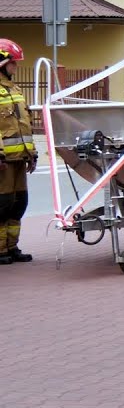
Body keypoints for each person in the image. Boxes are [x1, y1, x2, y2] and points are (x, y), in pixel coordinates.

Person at [0, 39, 37, 266]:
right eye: (14, 62)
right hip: (3, 160)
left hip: (19, 160)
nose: (16, 66)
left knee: (18, 203)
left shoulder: (14, 88)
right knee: (2, 205)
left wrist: (32, 153)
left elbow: (25, 124)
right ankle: (0, 249)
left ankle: (12, 247)